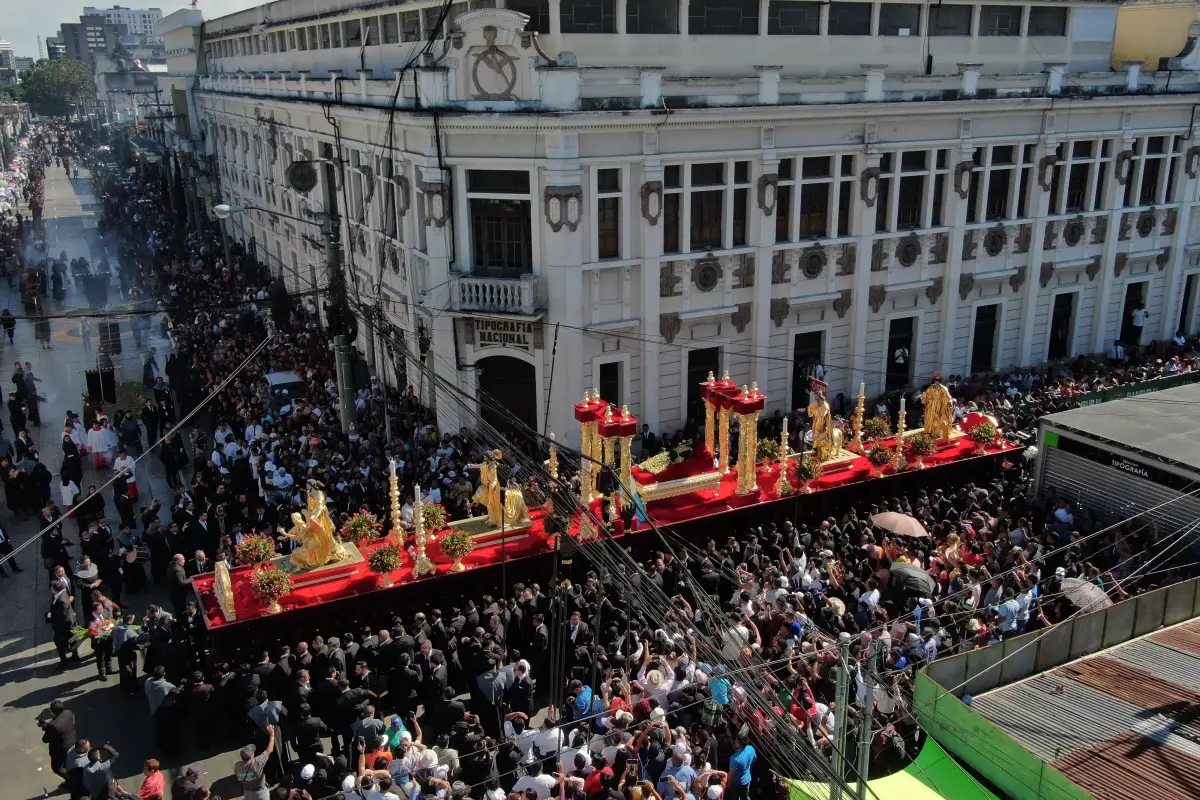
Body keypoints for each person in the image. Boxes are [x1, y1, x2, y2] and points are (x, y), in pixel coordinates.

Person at [235, 724, 276, 800]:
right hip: (260, 794)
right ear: (251, 756)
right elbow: (270, 749)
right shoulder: (258, 762)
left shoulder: (237, 765)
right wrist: (272, 735)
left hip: (247, 793)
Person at [40, 699, 77, 782]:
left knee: (57, 768)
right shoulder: (69, 713)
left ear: (52, 711)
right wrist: (48, 726)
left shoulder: (53, 726)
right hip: (72, 741)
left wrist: (47, 728)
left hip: (61, 748)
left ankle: (72, 781)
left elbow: (45, 740)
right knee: (69, 762)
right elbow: (62, 726)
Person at [50, 581, 80, 668]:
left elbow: (61, 615)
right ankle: (75, 655)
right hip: (68, 623)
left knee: (59, 642)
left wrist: (51, 616)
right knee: (71, 640)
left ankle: (64, 660)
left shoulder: (62, 600)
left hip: (65, 625)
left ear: (54, 589)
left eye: (51, 588)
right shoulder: (63, 593)